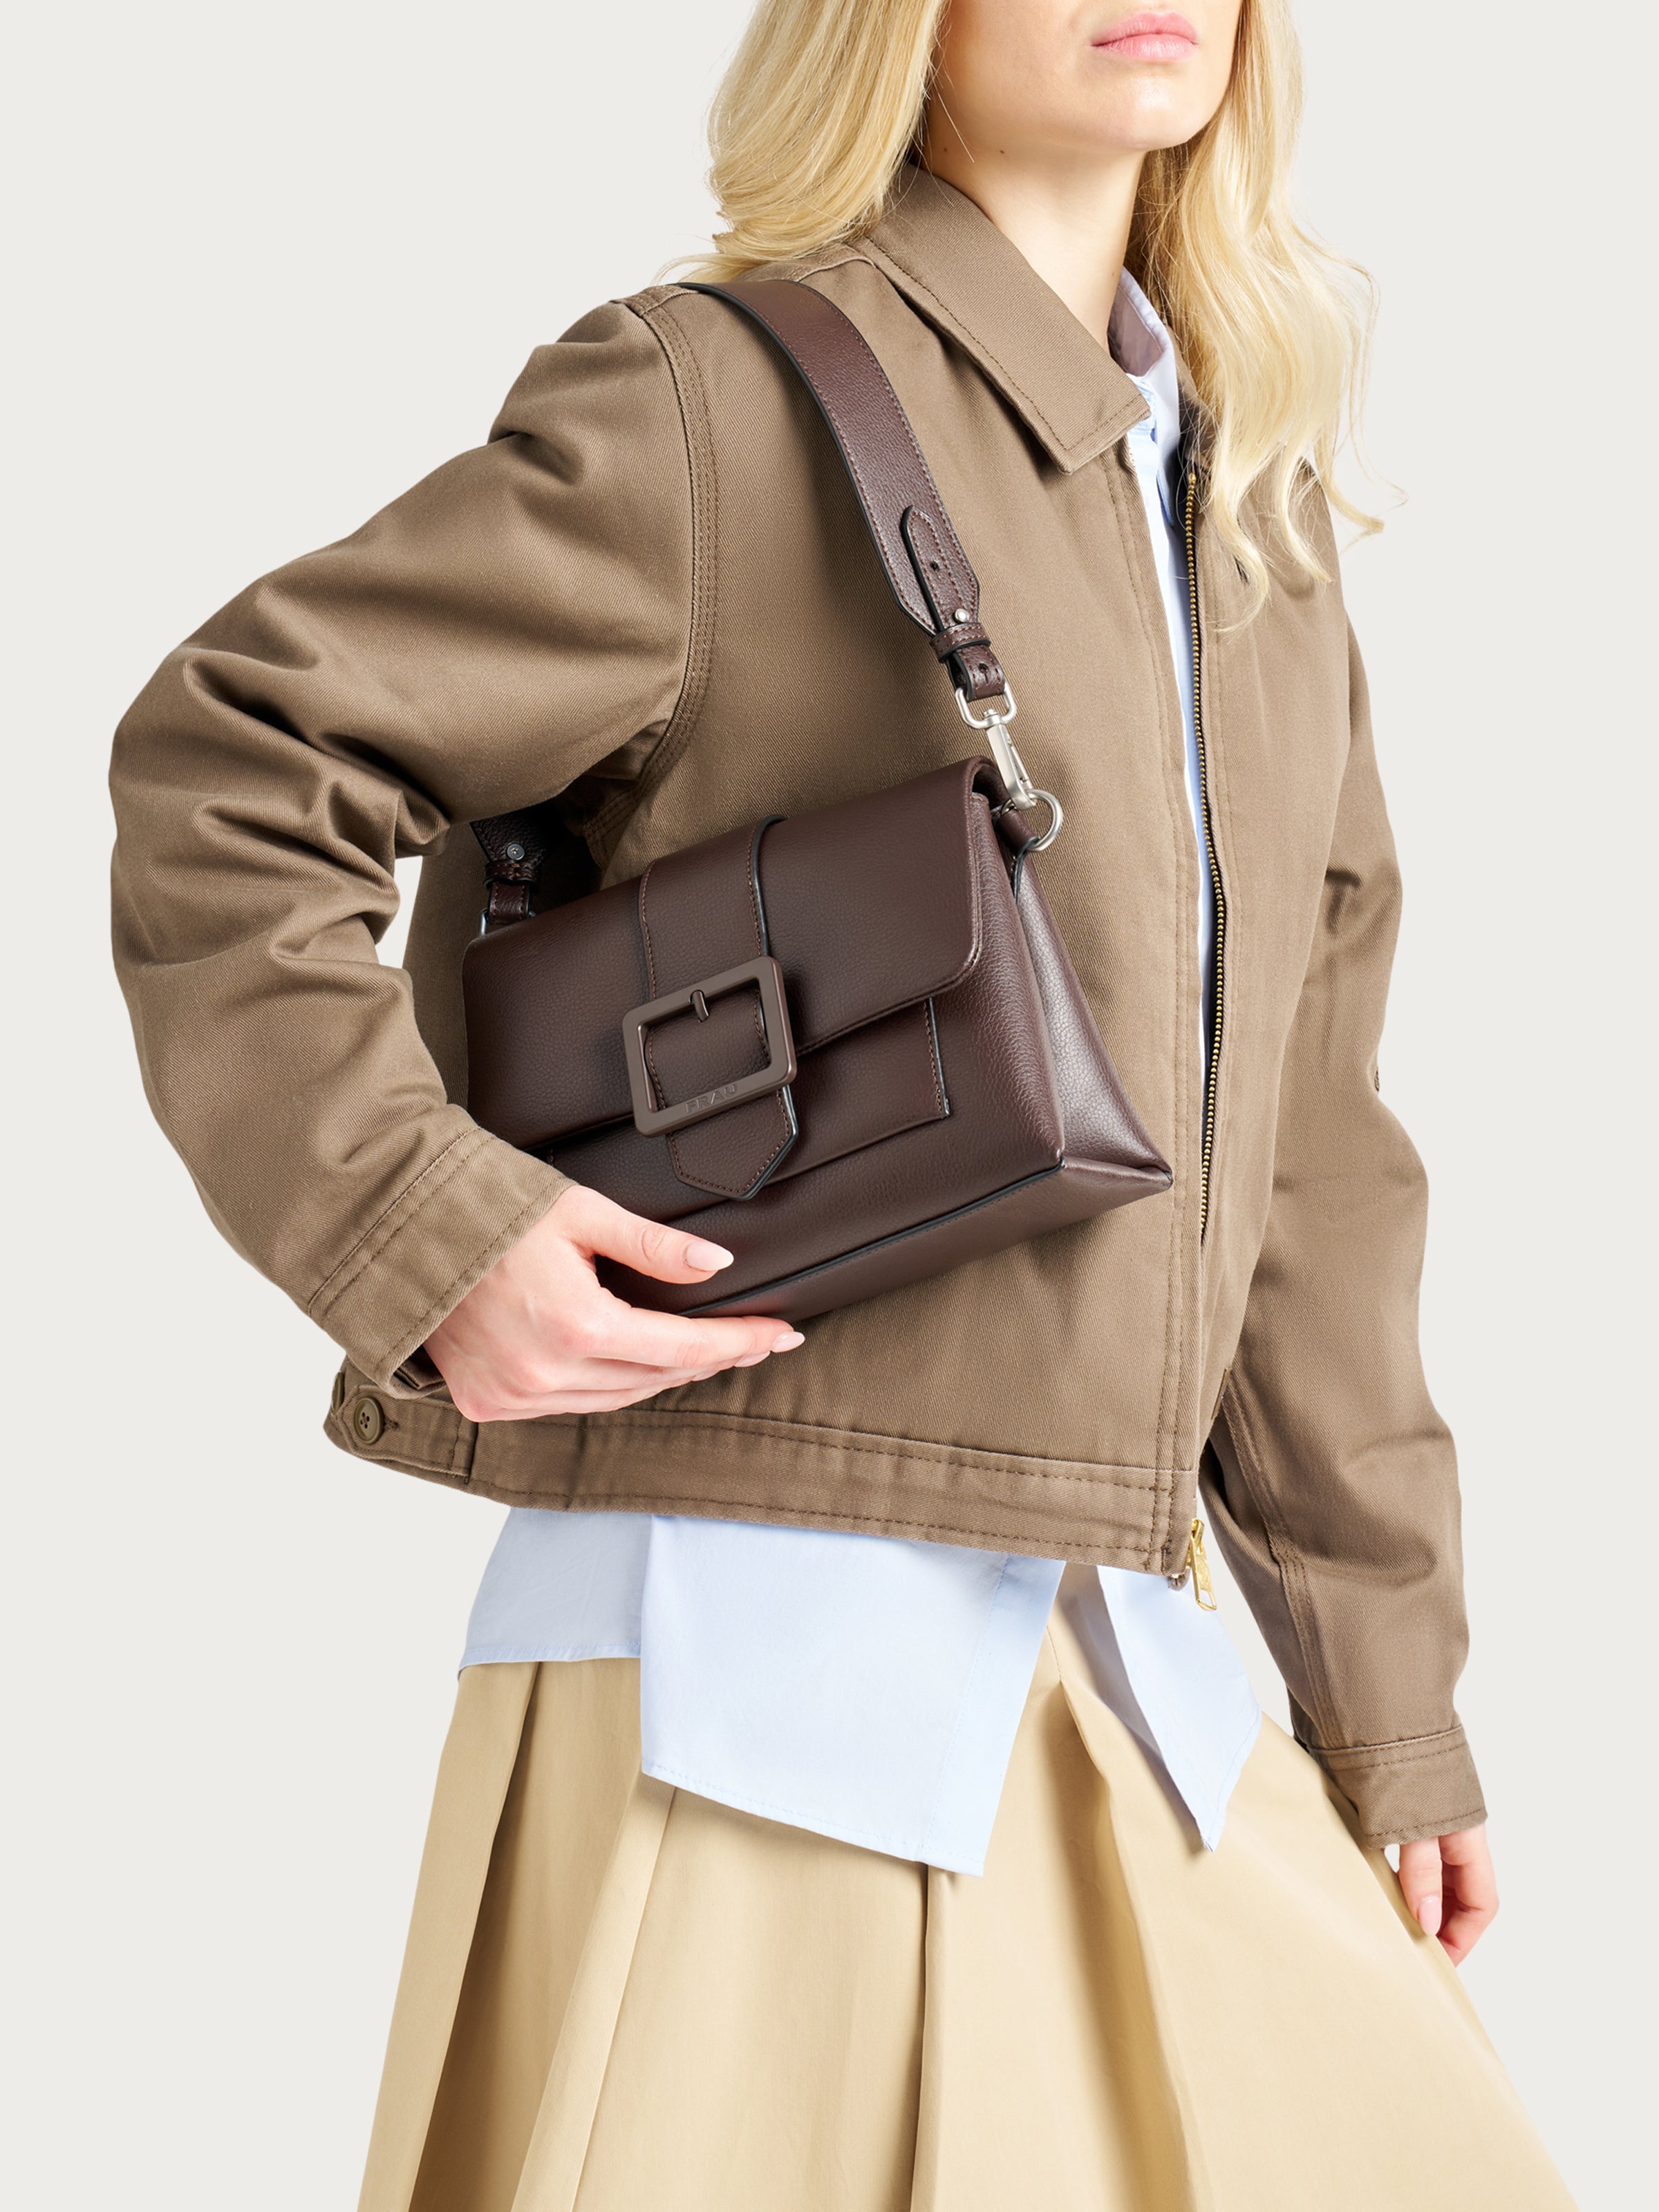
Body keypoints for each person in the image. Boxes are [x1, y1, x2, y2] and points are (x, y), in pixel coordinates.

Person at [109, 1, 1577, 2206]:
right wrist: (423, 1228)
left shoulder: (1249, 510)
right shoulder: (715, 403)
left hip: (1124, 1663)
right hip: (749, 1667)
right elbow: (233, 765)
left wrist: (1389, 1701)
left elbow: (1306, 1157)